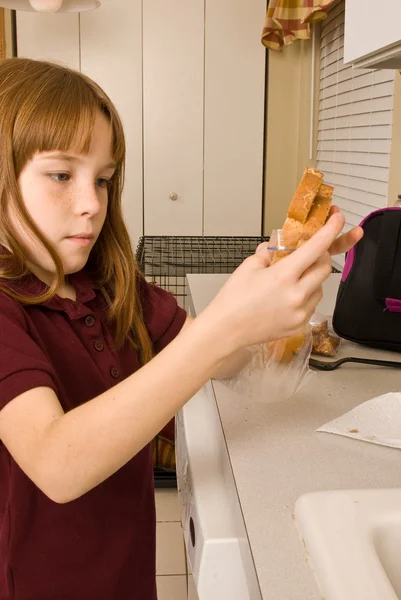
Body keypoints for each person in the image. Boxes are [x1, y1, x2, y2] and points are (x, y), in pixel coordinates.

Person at [0, 57, 362, 600]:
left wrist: (271, 293)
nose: (91, 204)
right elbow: (57, 464)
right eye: (60, 175)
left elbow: (228, 362)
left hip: (124, 573)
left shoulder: (112, 285)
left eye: (103, 179)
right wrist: (222, 326)